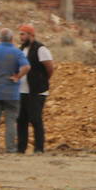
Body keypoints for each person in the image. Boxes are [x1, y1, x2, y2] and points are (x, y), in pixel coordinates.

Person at [17, 23, 56, 154]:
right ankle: (21, 148)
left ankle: (39, 148)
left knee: (35, 119)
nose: (21, 37)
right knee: (21, 120)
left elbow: (49, 68)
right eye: (20, 34)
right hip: (22, 91)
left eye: (23, 34)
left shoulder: (41, 49)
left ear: (30, 35)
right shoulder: (21, 49)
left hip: (37, 91)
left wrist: (41, 81)